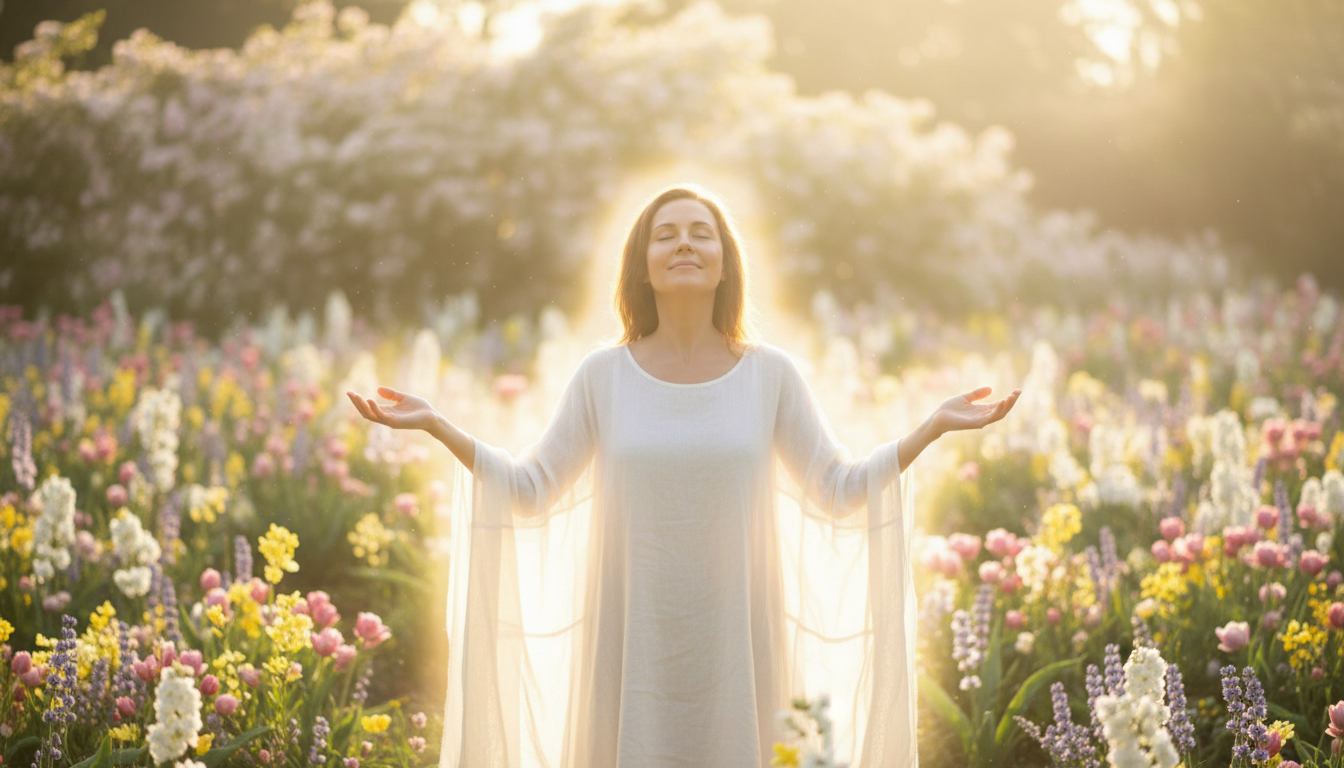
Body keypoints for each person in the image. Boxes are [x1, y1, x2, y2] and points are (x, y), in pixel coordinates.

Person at [347, 185, 1021, 768]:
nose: (684, 244)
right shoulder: (603, 376)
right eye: (665, 234)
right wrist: (437, 425)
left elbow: (839, 488)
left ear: (726, 262)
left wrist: (931, 427)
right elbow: (528, 490)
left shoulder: (771, 375)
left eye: (702, 232)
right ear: (642, 266)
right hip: (632, 633)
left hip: (739, 636)